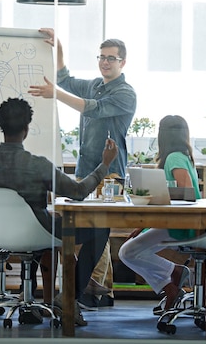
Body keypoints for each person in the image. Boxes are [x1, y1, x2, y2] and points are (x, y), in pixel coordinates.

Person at [0, 98, 118, 326]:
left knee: (40, 227)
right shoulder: (37, 165)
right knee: (100, 228)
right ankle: (69, 296)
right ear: (26, 129)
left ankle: (27, 298)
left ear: (1, 126)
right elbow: (78, 191)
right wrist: (104, 165)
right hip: (38, 232)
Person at [28, 28, 137, 308]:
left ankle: (94, 291)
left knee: (97, 232)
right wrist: (59, 46)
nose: (104, 62)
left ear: (122, 62)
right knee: (92, 232)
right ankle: (99, 291)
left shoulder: (125, 93)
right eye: (101, 57)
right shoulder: (95, 84)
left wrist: (56, 95)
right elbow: (65, 77)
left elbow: (92, 108)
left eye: (111, 58)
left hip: (109, 173)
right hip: (85, 170)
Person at [118, 115, 200, 313]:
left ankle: (173, 278)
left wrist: (146, 223)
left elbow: (185, 192)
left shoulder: (174, 158)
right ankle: (171, 282)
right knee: (131, 251)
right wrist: (142, 226)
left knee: (127, 252)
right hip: (177, 222)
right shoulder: (181, 157)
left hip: (181, 224)